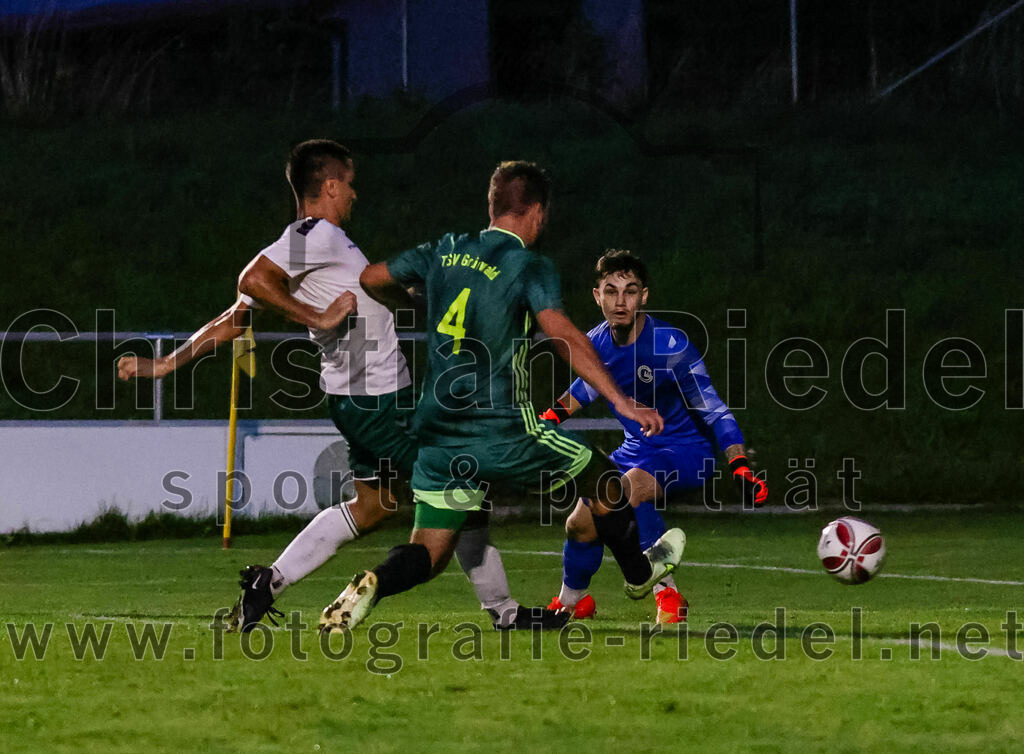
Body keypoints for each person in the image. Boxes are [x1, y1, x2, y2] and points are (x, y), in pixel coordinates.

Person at [117, 139, 549, 631]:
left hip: (357, 401)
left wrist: (165, 364)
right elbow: (252, 280)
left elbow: (235, 318)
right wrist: (317, 316)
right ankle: (503, 612)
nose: (354, 194)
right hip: (379, 400)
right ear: (329, 186)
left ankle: (267, 584)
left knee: (374, 505)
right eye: (349, 184)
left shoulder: (319, 245)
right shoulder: (314, 234)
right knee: (462, 486)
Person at [318, 161, 686, 633]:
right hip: (502, 427)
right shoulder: (529, 264)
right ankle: (638, 574)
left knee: (429, 551)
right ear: (537, 212)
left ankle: (374, 582)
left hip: (437, 435)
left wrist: (415, 302)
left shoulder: (446, 249)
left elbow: (371, 277)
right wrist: (620, 399)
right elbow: (561, 333)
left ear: (491, 206)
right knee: (605, 480)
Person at [541, 249, 768, 624]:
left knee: (625, 491)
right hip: (636, 451)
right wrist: (543, 422)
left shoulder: (670, 344)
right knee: (579, 523)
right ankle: (572, 602)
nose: (620, 301)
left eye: (630, 291)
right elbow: (583, 390)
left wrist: (739, 463)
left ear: (643, 296)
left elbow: (713, 407)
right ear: (597, 296)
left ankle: (669, 596)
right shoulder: (595, 343)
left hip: (688, 452)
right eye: (611, 291)